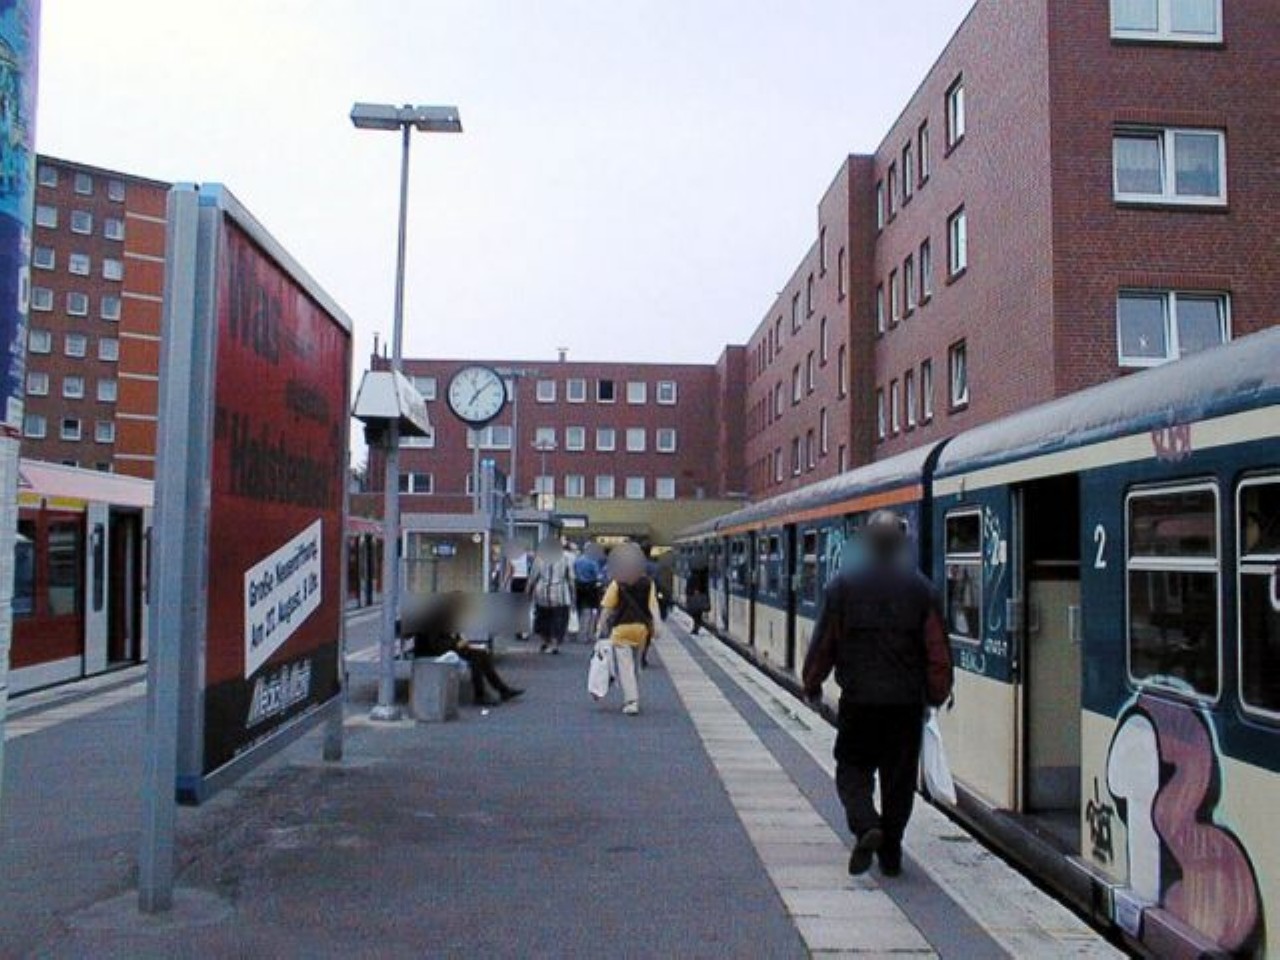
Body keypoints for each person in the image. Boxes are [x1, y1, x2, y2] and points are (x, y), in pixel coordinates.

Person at [802, 510, 953, 878]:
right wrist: (936, 694)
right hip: (905, 706)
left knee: (852, 770)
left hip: (859, 702)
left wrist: (812, 684)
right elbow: (938, 651)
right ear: (900, 544)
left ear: (868, 543)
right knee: (898, 782)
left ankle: (866, 823)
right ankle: (891, 854)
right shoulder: (922, 591)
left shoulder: (842, 587)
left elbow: (824, 644)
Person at [403, 592, 523, 706]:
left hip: (444, 648)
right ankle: (482, 695)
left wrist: (462, 643)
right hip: (430, 652)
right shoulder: (438, 617)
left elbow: (452, 636)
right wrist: (457, 644)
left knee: (482, 654)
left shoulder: (447, 614)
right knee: (476, 658)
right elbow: (435, 643)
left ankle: (501, 690)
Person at [597, 541, 661, 715]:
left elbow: (607, 608)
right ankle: (634, 692)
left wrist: (600, 627)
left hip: (621, 630)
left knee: (625, 667)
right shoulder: (648, 583)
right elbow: (653, 606)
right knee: (636, 664)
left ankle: (631, 701)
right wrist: (657, 625)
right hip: (642, 631)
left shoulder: (617, 583)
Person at [527, 536, 575, 654]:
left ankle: (546, 641)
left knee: (542, 618)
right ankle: (555, 644)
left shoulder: (540, 558)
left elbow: (533, 577)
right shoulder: (566, 558)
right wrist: (573, 595)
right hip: (561, 593)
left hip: (542, 593)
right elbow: (571, 579)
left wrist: (528, 591)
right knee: (559, 619)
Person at [573, 541, 605, 643]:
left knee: (581, 611)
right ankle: (587, 634)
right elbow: (598, 576)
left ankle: (581, 633)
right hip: (591, 587)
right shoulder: (592, 562)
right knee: (591, 612)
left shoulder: (578, 560)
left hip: (578, 586)